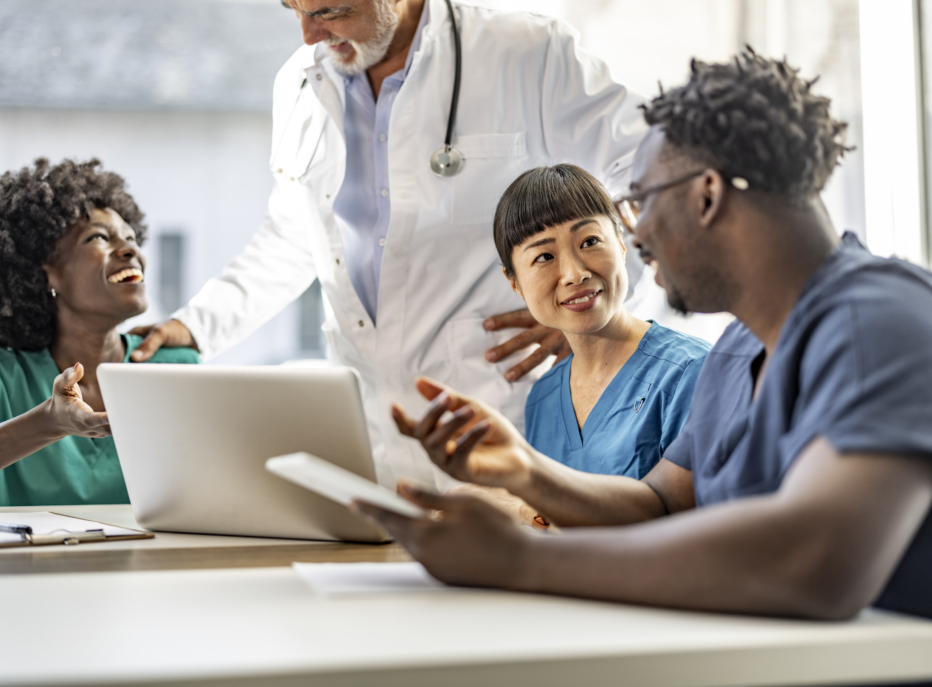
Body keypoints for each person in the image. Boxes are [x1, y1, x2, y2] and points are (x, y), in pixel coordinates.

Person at [357, 51, 932, 626]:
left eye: (641, 201)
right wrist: (527, 472)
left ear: (706, 195)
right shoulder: (739, 350)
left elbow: (817, 563)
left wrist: (521, 559)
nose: (639, 231)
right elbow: (659, 505)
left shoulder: (881, 320)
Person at [128, 0, 649, 489]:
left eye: (330, 11)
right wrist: (198, 325)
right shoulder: (300, 81)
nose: (309, 34)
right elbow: (295, 232)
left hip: (510, 407)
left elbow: (650, 183)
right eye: (295, 10)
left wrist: (599, 306)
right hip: (371, 426)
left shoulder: (527, 52)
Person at [0, 159, 199, 508]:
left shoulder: (178, 365)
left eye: (131, 238)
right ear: (45, 275)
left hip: (162, 562)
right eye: (99, 237)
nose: (131, 250)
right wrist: (48, 424)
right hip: (19, 563)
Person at [492, 164, 708, 480]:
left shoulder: (693, 372)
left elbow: (692, 517)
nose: (575, 273)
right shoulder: (542, 399)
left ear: (621, 245)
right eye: (544, 257)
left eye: (590, 241)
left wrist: (523, 510)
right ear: (514, 283)